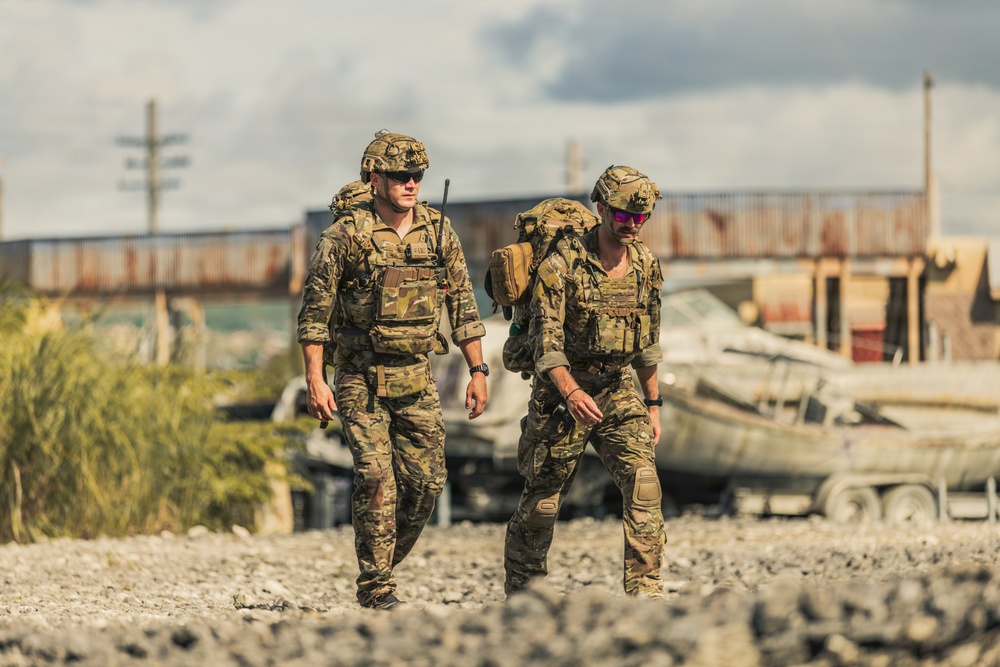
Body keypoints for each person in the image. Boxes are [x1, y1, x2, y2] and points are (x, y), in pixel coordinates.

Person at [297, 130, 489, 610]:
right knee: (374, 476)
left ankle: (380, 559)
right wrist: (315, 379)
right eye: (401, 176)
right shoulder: (343, 237)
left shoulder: (439, 232)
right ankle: (377, 585)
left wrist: (478, 369)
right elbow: (315, 316)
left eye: (417, 176)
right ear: (375, 178)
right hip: (360, 376)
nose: (410, 184)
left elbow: (465, 306)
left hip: (416, 376)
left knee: (426, 485)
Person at [503, 165, 666, 599]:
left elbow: (648, 344)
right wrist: (570, 391)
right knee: (543, 500)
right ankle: (523, 593)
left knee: (644, 483)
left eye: (641, 217)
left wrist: (653, 405)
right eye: (624, 215)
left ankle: (645, 590)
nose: (632, 225)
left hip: (616, 389)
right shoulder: (561, 266)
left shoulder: (646, 265)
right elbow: (547, 347)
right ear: (601, 208)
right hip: (562, 392)